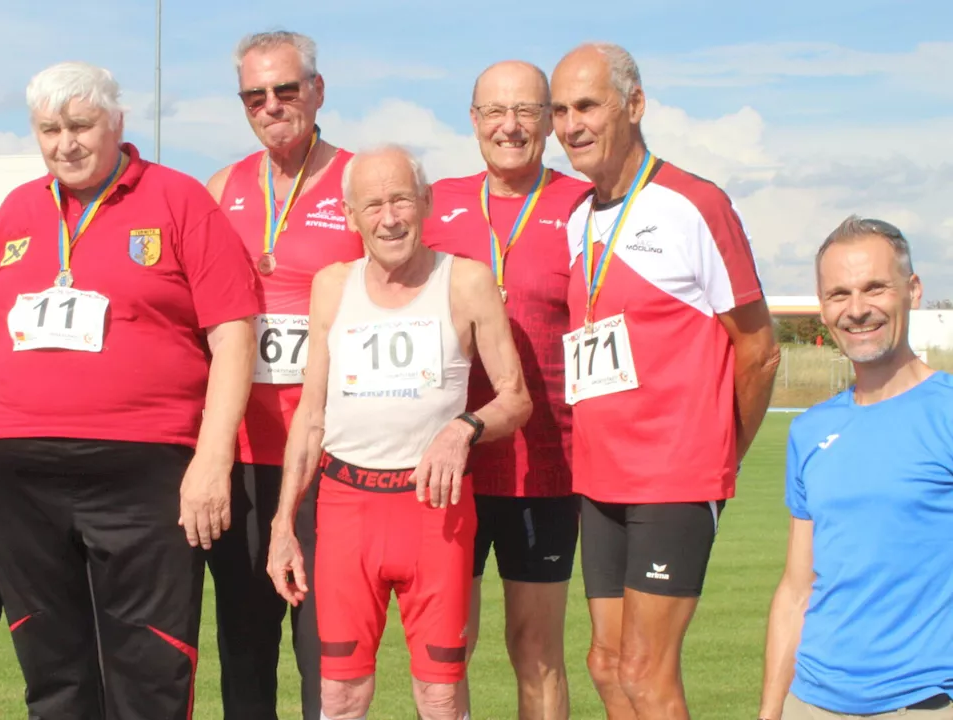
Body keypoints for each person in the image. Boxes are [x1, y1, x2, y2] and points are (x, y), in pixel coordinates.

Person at [0, 61, 260, 719]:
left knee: (150, 670)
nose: (66, 143)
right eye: (48, 129)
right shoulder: (18, 210)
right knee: (53, 674)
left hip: (144, 470)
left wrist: (211, 459)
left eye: (81, 125)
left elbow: (233, 335)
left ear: (117, 122)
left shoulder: (177, 200)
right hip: (20, 473)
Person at [550, 43, 781, 719]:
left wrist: (718, 458)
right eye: (560, 110)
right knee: (606, 664)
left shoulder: (695, 204)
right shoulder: (575, 219)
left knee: (649, 674)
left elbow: (760, 351)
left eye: (587, 105)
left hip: (673, 478)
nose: (570, 125)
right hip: (599, 478)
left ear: (635, 104)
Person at [267, 145, 533, 720]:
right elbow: (311, 417)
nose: (389, 218)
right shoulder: (332, 287)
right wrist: (283, 523)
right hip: (346, 510)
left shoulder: (465, 281)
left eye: (401, 201)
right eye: (373, 205)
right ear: (351, 216)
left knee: (439, 694)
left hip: (433, 510)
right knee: (340, 694)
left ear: (426, 203)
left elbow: (515, 399)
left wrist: (464, 427)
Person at [204, 30, 364, 720]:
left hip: (330, 455)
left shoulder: (360, 183)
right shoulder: (221, 189)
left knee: (325, 648)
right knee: (243, 646)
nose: (271, 106)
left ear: (317, 91)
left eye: (286, 90)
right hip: (242, 456)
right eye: (255, 95)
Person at [424, 59, 590, 720]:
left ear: (549, 121)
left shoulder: (581, 207)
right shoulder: (435, 204)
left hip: (548, 470)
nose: (510, 126)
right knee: (444, 653)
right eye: (495, 111)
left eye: (526, 111)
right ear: (473, 120)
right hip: (450, 470)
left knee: (537, 651)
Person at [758, 216, 953, 720]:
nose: (858, 309)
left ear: (912, 290)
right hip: (813, 701)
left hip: (925, 702)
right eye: (839, 294)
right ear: (822, 308)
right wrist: (771, 711)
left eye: (875, 288)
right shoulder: (810, 431)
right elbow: (796, 588)